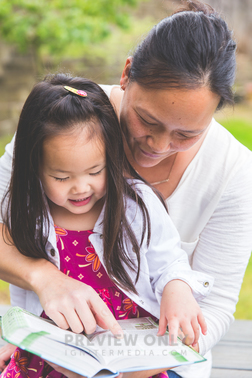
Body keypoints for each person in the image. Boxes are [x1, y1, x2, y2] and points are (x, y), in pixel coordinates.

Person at [0, 1, 252, 377]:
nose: (159, 144)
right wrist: (44, 281)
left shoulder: (232, 172)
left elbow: (211, 310)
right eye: (147, 120)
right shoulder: (62, 124)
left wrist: (145, 361)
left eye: (186, 134)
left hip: (156, 363)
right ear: (126, 73)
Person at [0, 74, 212, 378]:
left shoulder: (136, 206)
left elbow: (170, 262)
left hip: (128, 355)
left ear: (110, 158)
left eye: (94, 171)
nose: (80, 188)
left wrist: (177, 288)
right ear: (35, 166)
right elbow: (25, 295)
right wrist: (20, 339)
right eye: (62, 177)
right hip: (53, 356)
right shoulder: (31, 211)